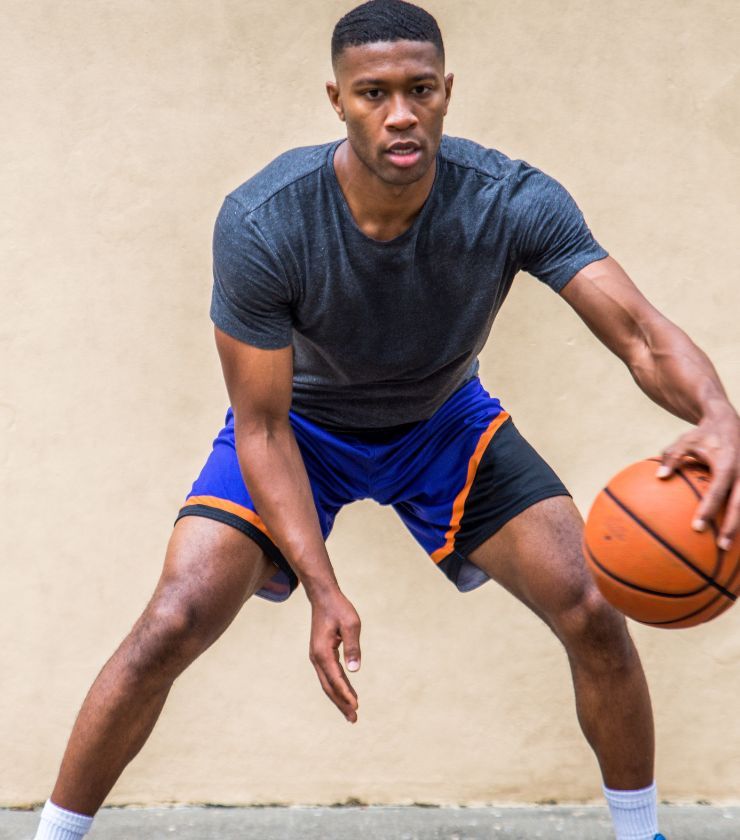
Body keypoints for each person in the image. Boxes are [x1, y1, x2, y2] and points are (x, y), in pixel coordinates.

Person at [34, 2, 739, 839]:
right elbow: (259, 428)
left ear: (447, 93)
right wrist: (323, 589)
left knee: (590, 606)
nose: (400, 112)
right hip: (302, 430)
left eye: (420, 89)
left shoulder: (509, 199)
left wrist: (718, 415)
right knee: (173, 619)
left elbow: (641, 331)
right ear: (336, 98)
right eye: (374, 93)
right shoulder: (266, 221)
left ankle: (641, 834)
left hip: (444, 424)